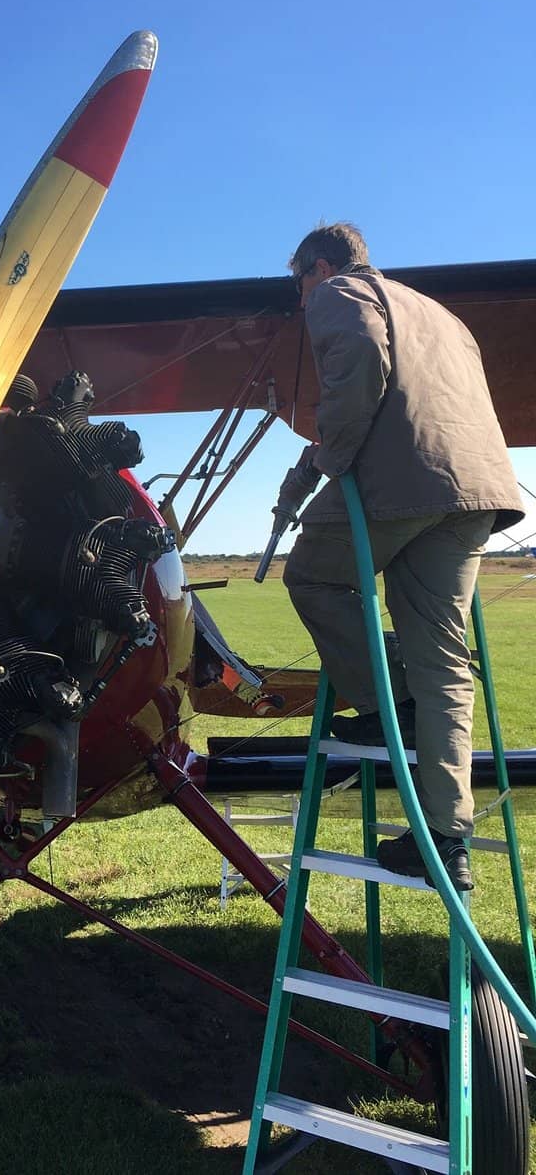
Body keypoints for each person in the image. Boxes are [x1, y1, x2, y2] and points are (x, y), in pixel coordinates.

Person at [279, 222, 524, 891]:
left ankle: (389, 703)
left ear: (319, 267)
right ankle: (446, 839)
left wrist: (328, 458)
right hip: (477, 493)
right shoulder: (440, 312)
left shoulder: (338, 295)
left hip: (401, 484)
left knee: (309, 575)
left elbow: (358, 365)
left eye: (297, 282)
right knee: (444, 659)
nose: (301, 299)